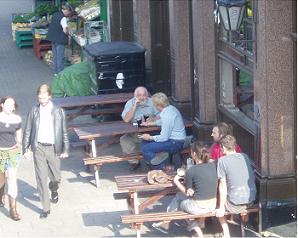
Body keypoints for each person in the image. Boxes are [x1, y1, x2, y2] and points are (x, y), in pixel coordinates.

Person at [22, 84, 69, 219]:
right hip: (39, 148)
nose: (42, 96)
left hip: (54, 148)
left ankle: (54, 189)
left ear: (49, 95)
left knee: (56, 177)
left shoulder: (58, 111)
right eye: (40, 94)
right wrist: (25, 149)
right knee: (41, 178)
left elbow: (64, 131)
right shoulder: (34, 110)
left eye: (44, 94)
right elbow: (28, 130)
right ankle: (45, 208)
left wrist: (65, 149)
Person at [152, 142, 217, 237]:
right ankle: (167, 222)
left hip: (198, 207)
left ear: (194, 154)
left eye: (191, 152)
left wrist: (176, 181)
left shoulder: (192, 170)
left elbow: (188, 193)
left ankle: (197, 231)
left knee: (178, 199)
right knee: (182, 197)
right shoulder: (213, 166)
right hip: (213, 204)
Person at [216, 135, 256, 238]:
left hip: (235, 203)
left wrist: (220, 208)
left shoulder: (222, 161)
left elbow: (222, 186)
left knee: (216, 203)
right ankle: (245, 219)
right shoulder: (245, 156)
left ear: (223, 147)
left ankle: (226, 233)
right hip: (251, 200)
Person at [139, 92, 186, 170]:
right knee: (144, 142)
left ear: (158, 105)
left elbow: (164, 137)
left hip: (175, 143)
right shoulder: (170, 108)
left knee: (145, 149)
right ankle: (156, 158)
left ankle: (163, 167)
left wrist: (149, 137)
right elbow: (162, 122)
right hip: (172, 139)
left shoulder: (167, 116)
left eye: (154, 103)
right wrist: (149, 124)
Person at [120, 86, 159, 171]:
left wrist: (153, 119)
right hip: (135, 133)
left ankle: (152, 162)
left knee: (151, 144)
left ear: (147, 95)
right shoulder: (130, 103)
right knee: (124, 140)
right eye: (139, 95)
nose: (142, 97)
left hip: (151, 133)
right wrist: (134, 106)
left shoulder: (153, 102)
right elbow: (126, 119)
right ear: (135, 96)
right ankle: (134, 162)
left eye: (144, 95)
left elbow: (162, 115)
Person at [0, 97, 22, 221]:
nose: (10, 106)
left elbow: (19, 135)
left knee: (12, 179)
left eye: (12, 105)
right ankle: (0, 195)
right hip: (0, 153)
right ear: (2, 105)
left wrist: (21, 146)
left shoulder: (17, 119)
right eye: (7, 104)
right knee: (1, 179)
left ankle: (13, 209)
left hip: (12, 153)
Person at [47, 3, 73, 75]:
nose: (69, 14)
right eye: (69, 12)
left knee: (55, 56)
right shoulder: (63, 18)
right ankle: (60, 74)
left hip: (53, 38)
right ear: (67, 10)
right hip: (60, 39)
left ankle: (56, 73)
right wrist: (69, 35)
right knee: (60, 58)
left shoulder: (55, 14)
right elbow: (65, 30)